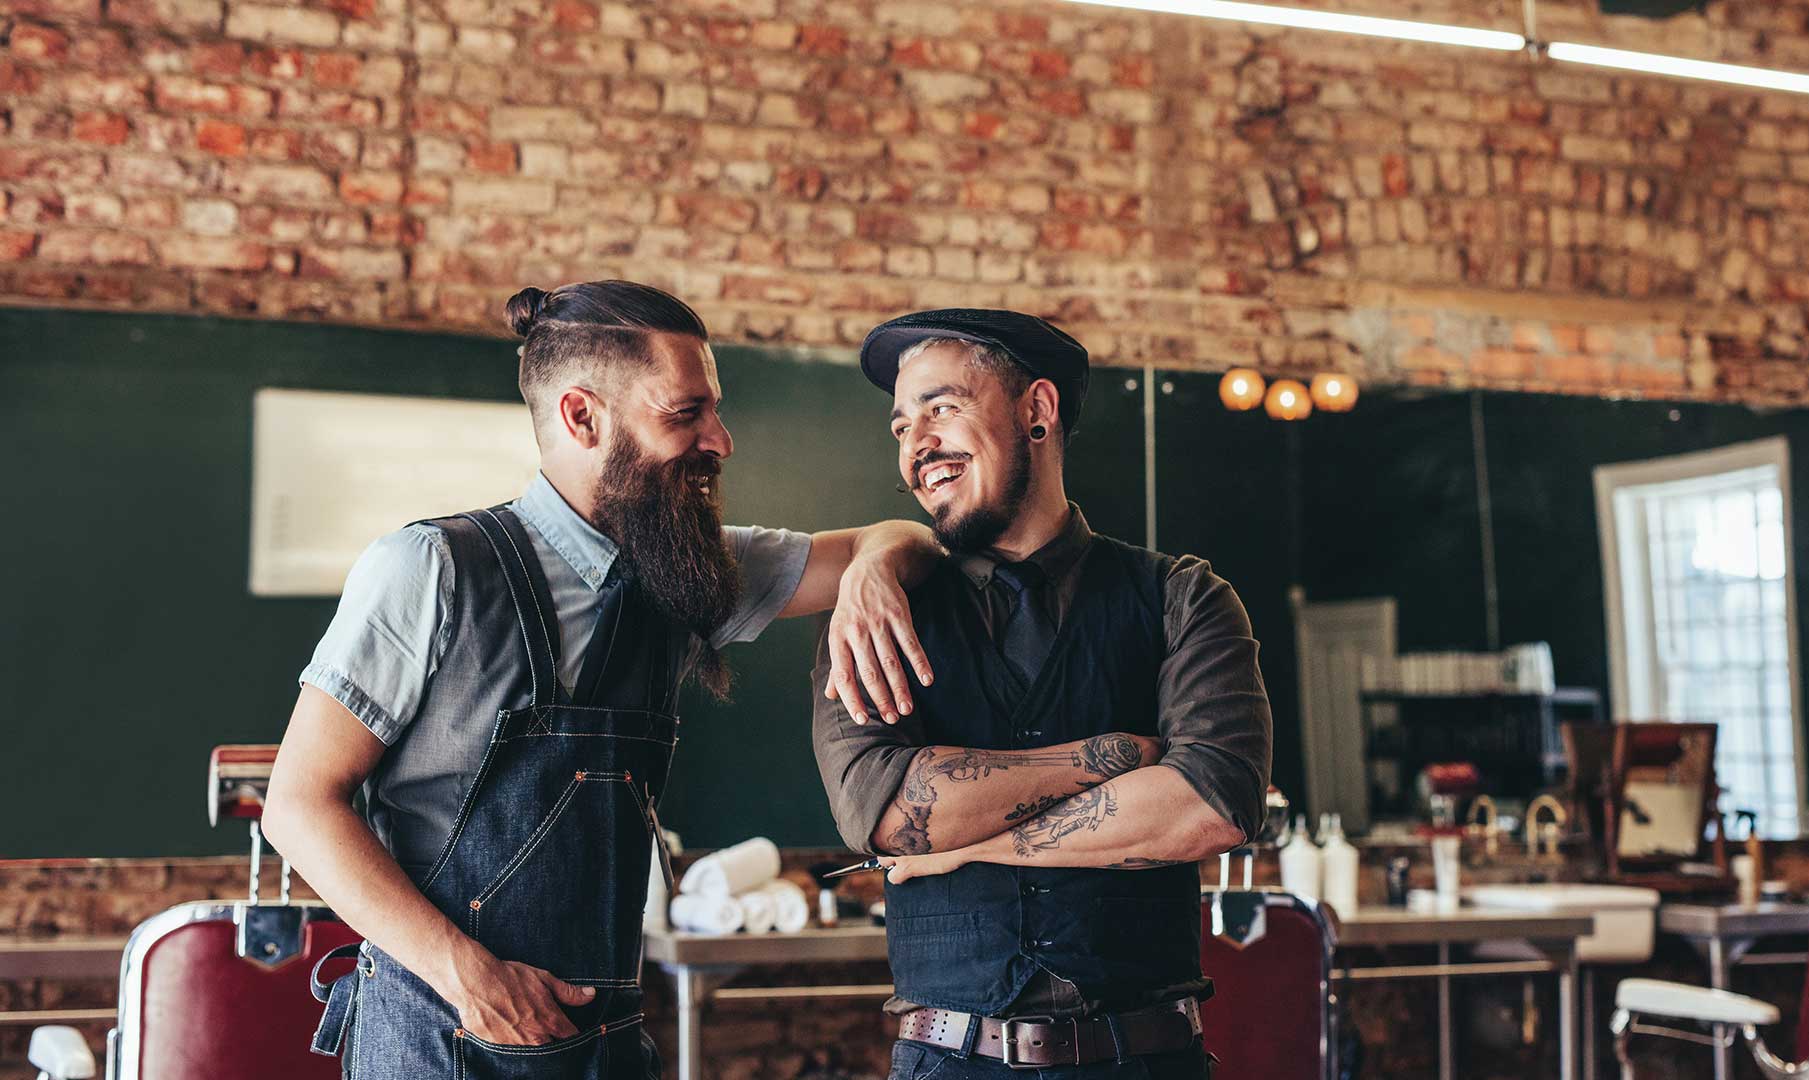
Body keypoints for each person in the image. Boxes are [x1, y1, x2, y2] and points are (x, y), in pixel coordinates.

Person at [262, 280, 942, 1079]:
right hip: (437, 1039)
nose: (720, 440)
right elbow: (299, 805)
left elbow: (910, 538)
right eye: (685, 414)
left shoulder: (688, 573)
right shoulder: (429, 567)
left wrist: (871, 571)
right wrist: (469, 976)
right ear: (582, 416)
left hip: (602, 1047)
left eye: (713, 410)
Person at [812, 309, 1275, 1079]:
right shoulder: (874, 619)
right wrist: (1120, 756)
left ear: (1037, 410)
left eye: (942, 407)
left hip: (1146, 1059)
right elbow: (890, 815)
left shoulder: (1183, 597)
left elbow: (1213, 803)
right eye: (900, 427)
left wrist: (977, 844)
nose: (915, 446)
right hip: (949, 1062)